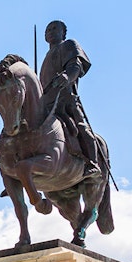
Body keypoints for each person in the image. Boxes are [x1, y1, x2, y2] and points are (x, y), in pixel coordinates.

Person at [39, 20, 100, 176]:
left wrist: (67, 76)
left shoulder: (68, 45)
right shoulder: (46, 57)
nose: (51, 31)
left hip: (65, 100)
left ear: (63, 33)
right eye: (48, 29)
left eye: (54, 28)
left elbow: (75, 65)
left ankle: (93, 163)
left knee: (81, 127)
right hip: (46, 104)